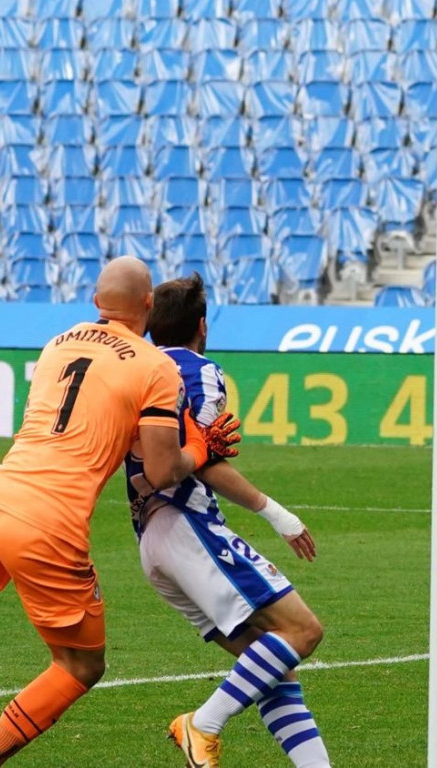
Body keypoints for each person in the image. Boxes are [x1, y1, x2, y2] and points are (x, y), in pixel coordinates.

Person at [0, 257, 242, 766]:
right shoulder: (155, 366)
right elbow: (163, 470)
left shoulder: (57, 343)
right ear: (148, 304)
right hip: (48, 519)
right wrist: (203, 448)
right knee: (80, 666)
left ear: (96, 302)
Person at [124, 273, 329, 768]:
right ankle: (202, 724)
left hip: (151, 540)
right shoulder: (199, 372)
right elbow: (207, 457)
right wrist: (279, 515)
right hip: (186, 525)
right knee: (302, 631)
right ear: (202, 325)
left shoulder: (137, 370)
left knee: (275, 670)